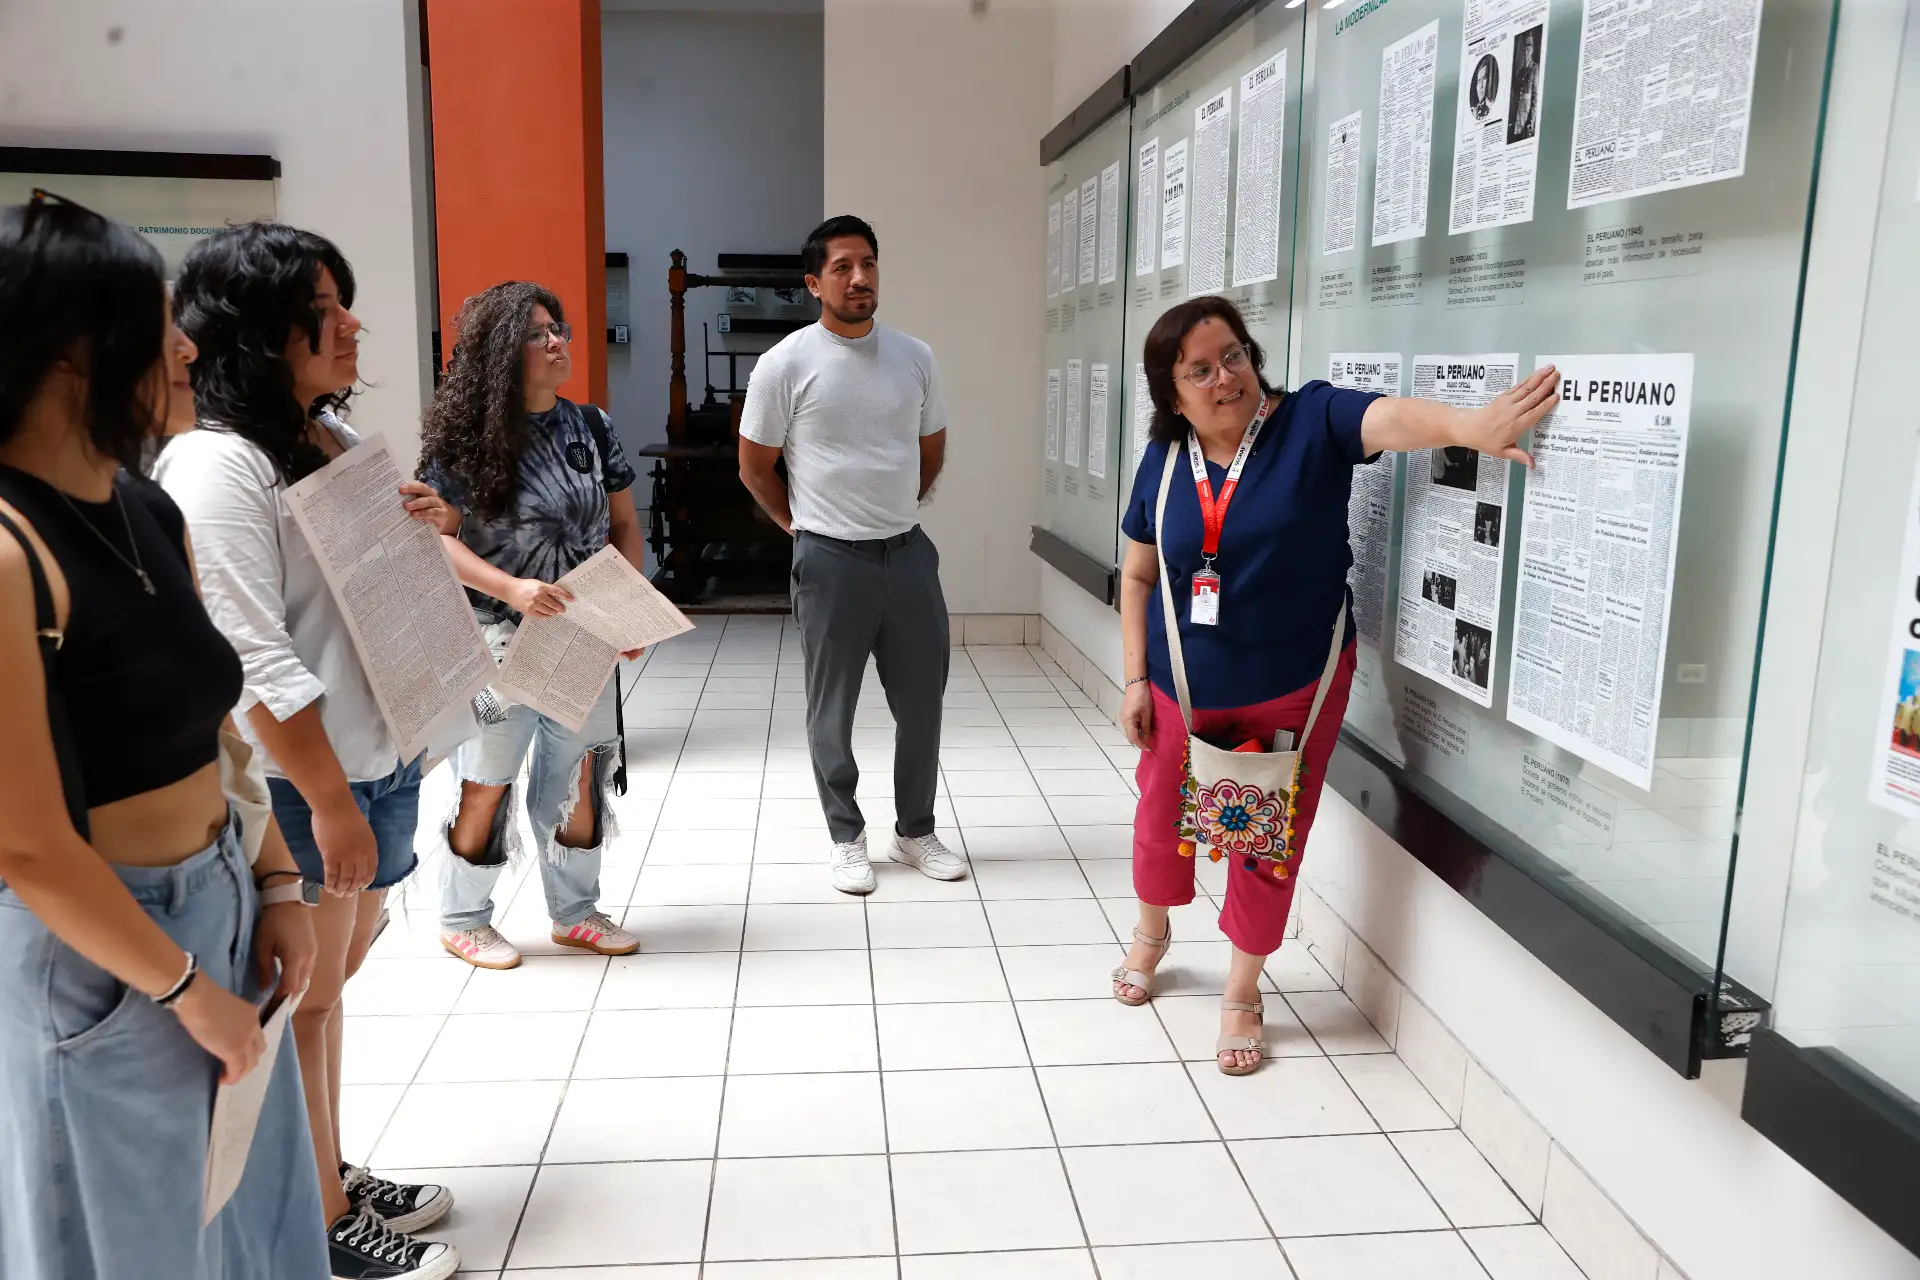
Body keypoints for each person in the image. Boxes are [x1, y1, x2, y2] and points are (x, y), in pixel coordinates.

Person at [0, 191, 327, 1278]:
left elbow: (214, 728)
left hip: (222, 902)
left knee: (257, 1232)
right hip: (109, 958)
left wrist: (277, 882)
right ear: (68, 352)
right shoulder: (9, 549)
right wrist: (188, 990)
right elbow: (29, 846)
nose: (184, 346)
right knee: (129, 1245)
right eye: (154, 321)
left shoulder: (148, 508)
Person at [1113, 295, 1557, 1074]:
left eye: (1235, 355)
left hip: (1294, 685)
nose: (1227, 377)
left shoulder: (1308, 421)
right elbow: (1141, 573)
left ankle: (1243, 992)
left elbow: (1387, 419)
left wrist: (1471, 427)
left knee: (1263, 842)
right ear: (1172, 394)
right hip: (1182, 680)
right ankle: (1152, 934)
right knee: (1160, 819)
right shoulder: (1163, 459)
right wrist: (1133, 679)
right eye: (1200, 370)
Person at [155, 221, 461, 1280]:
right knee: (300, 1003)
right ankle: (318, 1213)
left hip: (373, 761)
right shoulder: (216, 461)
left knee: (327, 994)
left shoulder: (319, 440)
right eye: (324, 310)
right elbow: (246, 643)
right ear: (258, 330)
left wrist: (424, 524)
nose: (352, 324)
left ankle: (327, 1166)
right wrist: (328, 799)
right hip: (304, 781)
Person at [419, 281, 647, 970]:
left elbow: (626, 524)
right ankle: (463, 917)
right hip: (496, 642)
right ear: (501, 351)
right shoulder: (466, 442)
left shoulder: (592, 426)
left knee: (580, 777)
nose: (558, 342)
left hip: (583, 636)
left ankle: (575, 913)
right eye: (538, 332)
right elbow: (437, 542)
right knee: (486, 779)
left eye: (560, 329)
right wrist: (511, 587)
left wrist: (628, 605)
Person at [738, 215, 964, 895]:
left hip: (908, 556)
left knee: (922, 702)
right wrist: (800, 527)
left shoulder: (915, 356)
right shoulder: (785, 364)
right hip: (831, 561)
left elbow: (931, 450)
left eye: (868, 263)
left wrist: (901, 508)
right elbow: (755, 467)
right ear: (814, 283)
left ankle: (915, 829)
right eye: (842, 267)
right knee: (831, 710)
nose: (860, 277)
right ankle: (846, 836)